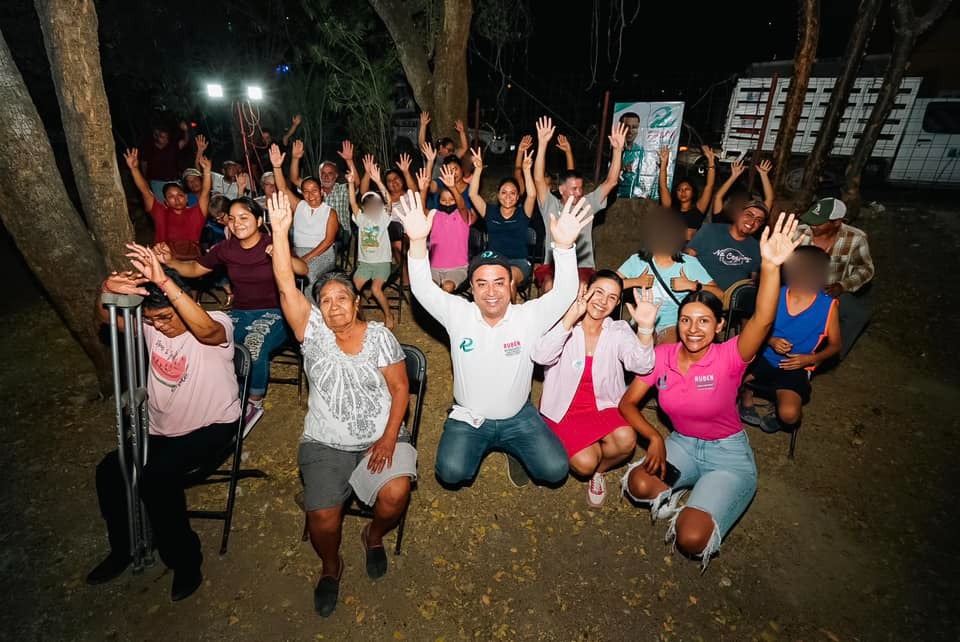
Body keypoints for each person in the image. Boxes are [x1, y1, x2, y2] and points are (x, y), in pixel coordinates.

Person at [619, 213, 801, 571]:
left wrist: (770, 265)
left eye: (704, 321)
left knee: (690, 538)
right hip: (683, 444)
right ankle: (689, 484)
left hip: (726, 456)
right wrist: (654, 437)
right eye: (686, 320)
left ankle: (716, 493)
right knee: (639, 484)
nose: (693, 329)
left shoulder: (730, 357)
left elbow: (763, 319)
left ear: (719, 327)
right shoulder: (663, 356)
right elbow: (628, 404)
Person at [266, 191, 415, 618]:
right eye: (325, 300)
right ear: (318, 307)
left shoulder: (380, 338)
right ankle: (331, 566)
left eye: (341, 298)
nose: (333, 306)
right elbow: (283, 283)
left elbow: (401, 390)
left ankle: (374, 535)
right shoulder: (310, 331)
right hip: (326, 442)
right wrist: (279, 231)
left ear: (356, 301)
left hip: (379, 436)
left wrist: (389, 438)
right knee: (324, 519)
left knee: (395, 493)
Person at [394, 188, 594, 488]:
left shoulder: (528, 316)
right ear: (471, 288)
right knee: (450, 472)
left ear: (511, 285)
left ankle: (515, 447)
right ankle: (481, 443)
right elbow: (422, 289)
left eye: (499, 282)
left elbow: (565, 293)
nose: (491, 292)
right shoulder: (458, 313)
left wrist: (564, 247)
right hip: (469, 416)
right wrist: (419, 242)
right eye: (482, 284)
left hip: (518, 416)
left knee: (554, 470)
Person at [87, 250, 241, 601]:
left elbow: (205, 330)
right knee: (110, 471)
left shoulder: (214, 321)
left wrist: (165, 281)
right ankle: (123, 549)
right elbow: (109, 321)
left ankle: (185, 561)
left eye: (166, 317)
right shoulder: (152, 324)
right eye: (153, 319)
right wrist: (106, 291)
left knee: (157, 478)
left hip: (211, 426)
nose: (160, 325)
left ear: (183, 300)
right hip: (160, 431)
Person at [156, 196, 308, 415]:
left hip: (277, 312)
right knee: (212, 340)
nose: (237, 223)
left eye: (244, 217)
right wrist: (170, 262)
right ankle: (221, 392)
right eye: (232, 219)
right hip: (240, 311)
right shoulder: (225, 249)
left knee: (253, 346)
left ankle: (254, 401)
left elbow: (303, 270)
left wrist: (281, 254)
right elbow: (194, 270)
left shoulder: (272, 242)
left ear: (258, 221)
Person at [532, 271, 658, 507]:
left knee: (626, 440)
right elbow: (540, 356)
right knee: (585, 463)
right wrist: (569, 319)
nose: (602, 301)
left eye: (612, 297)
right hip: (564, 408)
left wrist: (645, 329)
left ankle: (599, 472)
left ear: (618, 303)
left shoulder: (618, 330)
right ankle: (589, 462)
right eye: (598, 292)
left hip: (603, 404)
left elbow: (642, 365)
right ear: (586, 291)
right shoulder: (564, 322)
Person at [740, 245, 842, 433]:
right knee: (723, 383)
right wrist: (770, 340)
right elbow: (749, 324)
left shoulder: (828, 306)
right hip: (762, 355)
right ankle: (747, 394)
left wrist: (811, 359)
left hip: (796, 365)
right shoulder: (775, 293)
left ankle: (778, 406)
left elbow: (836, 345)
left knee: (789, 414)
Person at [533, 116, 626, 293]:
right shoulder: (550, 205)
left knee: (582, 287)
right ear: (561, 190)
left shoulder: (587, 203)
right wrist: (542, 143)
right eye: (573, 189)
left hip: (582, 265)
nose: (578, 193)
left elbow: (611, 181)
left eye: (580, 188)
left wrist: (618, 150)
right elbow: (538, 178)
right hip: (553, 264)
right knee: (548, 286)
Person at [617, 209, 723, 344]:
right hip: (642, 317)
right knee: (642, 348)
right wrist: (635, 281)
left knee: (666, 353)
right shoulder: (637, 260)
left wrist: (692, 285)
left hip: (673, 322)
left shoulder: (688, 263)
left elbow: (720, 294)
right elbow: (608, 284)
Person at [796, 197, 875, 360]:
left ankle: (829, 358)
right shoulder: (799, 232)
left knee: (858, 314)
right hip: (798, 288)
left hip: (831, 290)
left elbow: (865, 269)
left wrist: (842, 286)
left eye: (819, 222)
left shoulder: (856, 238)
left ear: (836, 222)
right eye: (812, 219)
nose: (813, 225)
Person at [271, 143, 340, 292]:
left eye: (314, 190)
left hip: (322, 254)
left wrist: (305, 258)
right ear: (302, 193)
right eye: (306, 191)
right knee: (279, 274)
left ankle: (312, 314)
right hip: (298, 252)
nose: (310, 195)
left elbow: (328, 242)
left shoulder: (330, 212)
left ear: (321, 191)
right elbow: (282, 188)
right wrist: (277, 167)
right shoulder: (299, 205)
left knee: (309, 277)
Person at [469, 146, 536, 293]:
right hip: (494, 260)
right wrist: (478, 170)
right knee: (480, 280)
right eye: (504, 192)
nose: (508, 196)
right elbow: (473, 195)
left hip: (518, 262)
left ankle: (509, 316)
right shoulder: (490, 212)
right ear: (498, 195)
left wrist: (526, 171)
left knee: (508, 280)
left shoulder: (523, 213)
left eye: (513, 193)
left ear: (518, 197)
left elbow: (531, 195)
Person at [124, 147, 211, 260]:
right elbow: (145, 191)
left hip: (192, 263)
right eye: (171, 197)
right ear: (166, 202)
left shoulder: (196, 213)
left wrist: (207, 171)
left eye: (179, 195)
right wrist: (134, 169)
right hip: (167, 262)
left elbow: (205, 193)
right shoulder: (161, 213)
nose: (176, 199)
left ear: (186, 198)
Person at [291, 139, 361, 257]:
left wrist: (349, 161)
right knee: (294, 231)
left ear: (336, 175)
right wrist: (295, 158)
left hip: (339, 233)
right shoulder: (314, 189)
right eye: (323, 173)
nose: (326, 176)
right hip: (313, 231)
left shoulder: (343, 189)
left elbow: (356, 183)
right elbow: (294, 179)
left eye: (330, 173)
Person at [687, 192, 769, 291]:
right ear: (738, 214)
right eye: (749, 215)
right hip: (701, 294)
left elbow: (753, 281)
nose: (752, 222)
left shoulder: (756, 247)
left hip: (732, 302)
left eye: (758, 220)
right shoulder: (710, 231)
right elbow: (686, 258)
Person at [346, 168, 395, 328]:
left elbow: (389, 201)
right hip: (365, 264)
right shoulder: (361, 219)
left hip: (381, 262)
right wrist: (351, 183)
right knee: (352, 291)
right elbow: (353, 202)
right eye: (369, 205)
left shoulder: (383, 218)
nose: (373, 207)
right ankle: (359, 318)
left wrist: (379, 181)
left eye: (376, 204)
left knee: (376, 289)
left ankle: (388, 315)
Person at [418, 163, 474, 292]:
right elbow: (421, 211)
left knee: (447, 287)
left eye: (451, 200)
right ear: (439, 202)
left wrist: (453, 188)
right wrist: (423, 190)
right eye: (444, 200)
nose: (448, 203)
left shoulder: (462, 216)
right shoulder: (435, 215)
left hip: (457, 268)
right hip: (434, 268)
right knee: (427, 289)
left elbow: (461, 206)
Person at [659, 145, 717, 239]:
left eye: (687, 189)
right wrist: (663, 164)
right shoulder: (671, 208)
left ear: (693, 192)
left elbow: (709, 187)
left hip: (689, 249)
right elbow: (663, 187)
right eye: (680, 190)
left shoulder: (698, 209)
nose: (683, 192)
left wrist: (710, 160)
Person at [711, 158, 775, 223]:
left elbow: (769, 199)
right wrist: (733, 176)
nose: (739, 205)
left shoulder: (752, 224)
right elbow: (718, 196)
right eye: (737, 203)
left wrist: (764, 175)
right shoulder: (721, 220)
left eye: (743, 204)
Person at [141, 121, 191, 200]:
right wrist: (145, 178)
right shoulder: (149, 149)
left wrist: (185, 130)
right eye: (163, 137)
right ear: (156, 137)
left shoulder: (172, 146)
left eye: (167, 137)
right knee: (162, 205)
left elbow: (185, 142)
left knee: (177, 202)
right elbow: (144, 164)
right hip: (157, 182)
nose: (166, 140)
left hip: (174, 181)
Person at [419, 111, 468, 179]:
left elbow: (464, 148)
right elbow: (422, 145)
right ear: (441, 147)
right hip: (432, 186)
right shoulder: (433, 155)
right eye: (449, 150)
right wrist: (423, 126)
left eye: (453, 150)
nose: (451, 152)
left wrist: (462, 132)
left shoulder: (451, 157)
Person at [616, 112, 645, 198]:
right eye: (626, 127)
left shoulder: (641, 151)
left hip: (634, 199)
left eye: (634, 127)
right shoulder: (611, 149)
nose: (630, 131)